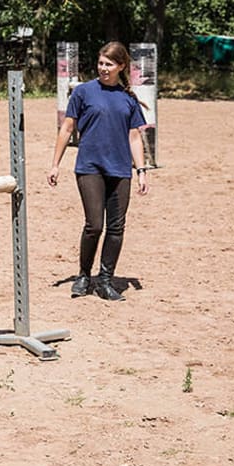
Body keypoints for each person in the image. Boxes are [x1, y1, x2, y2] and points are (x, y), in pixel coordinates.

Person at [47, 41, 150, 301]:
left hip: (120, 169)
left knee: (116, 227)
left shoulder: (128, 99)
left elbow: (135, 137)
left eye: (109, 64)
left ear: (121, 66)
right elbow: (67, 129)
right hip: (89, 166)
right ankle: (83, 275)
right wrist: (55, 164)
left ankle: (105, 280)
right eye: (101, 63)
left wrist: (141, 170)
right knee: (94, 225)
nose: (103, 68)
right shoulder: (83, 92)